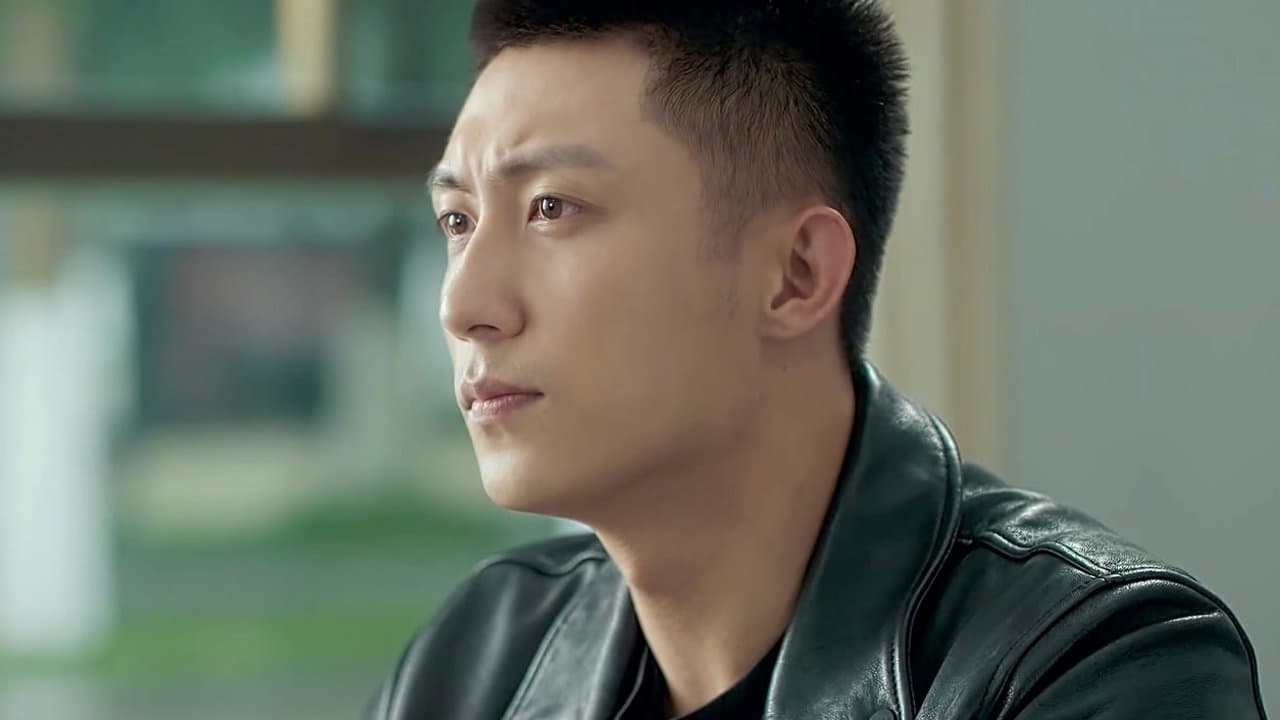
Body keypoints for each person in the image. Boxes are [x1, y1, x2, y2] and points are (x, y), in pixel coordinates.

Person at [364, 1, 1266, 717]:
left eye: (552, 208)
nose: (462, 306)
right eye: (458, 220)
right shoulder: (481, 659)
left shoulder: (1103, 662)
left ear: (795, 275)